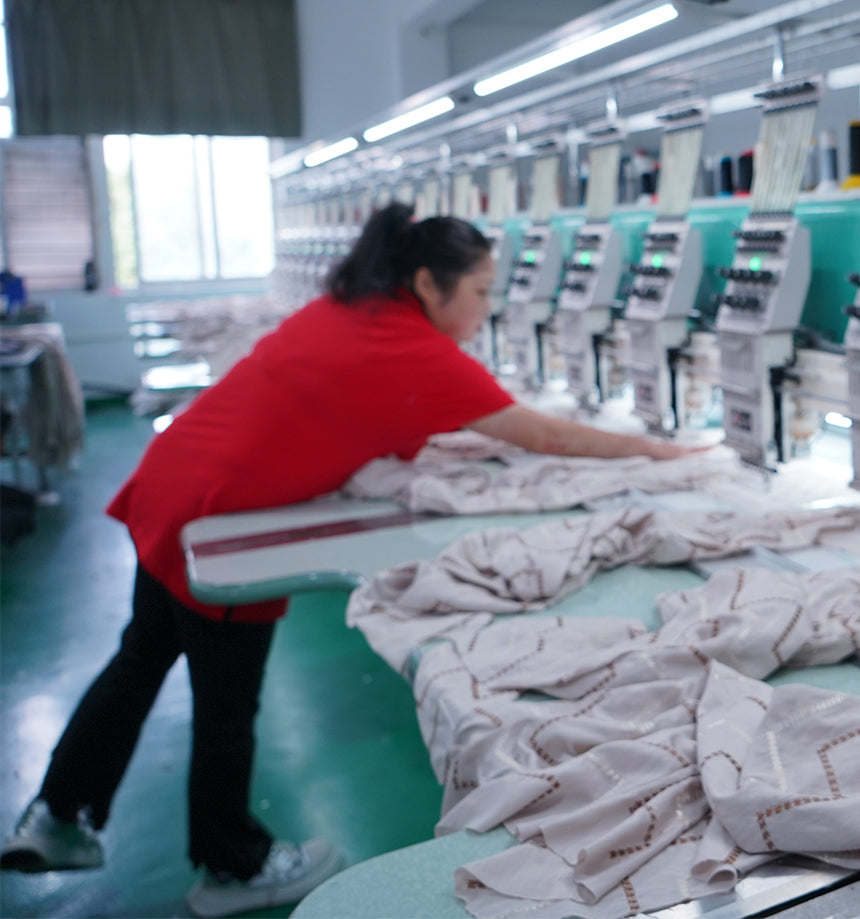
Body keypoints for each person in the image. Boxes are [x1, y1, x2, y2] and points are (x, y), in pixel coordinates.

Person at [1, 204, 699, 916]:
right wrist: (663, 451)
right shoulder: (413, 347)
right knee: (226, 701)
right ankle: (232, 865)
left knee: (142, 655)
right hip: (219, 512)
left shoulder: (357, 309)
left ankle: (58, 814)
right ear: (427, 283)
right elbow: (547, 436)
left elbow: (364, 409)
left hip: (175, 478)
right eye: (482, 291)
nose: (488, 308)